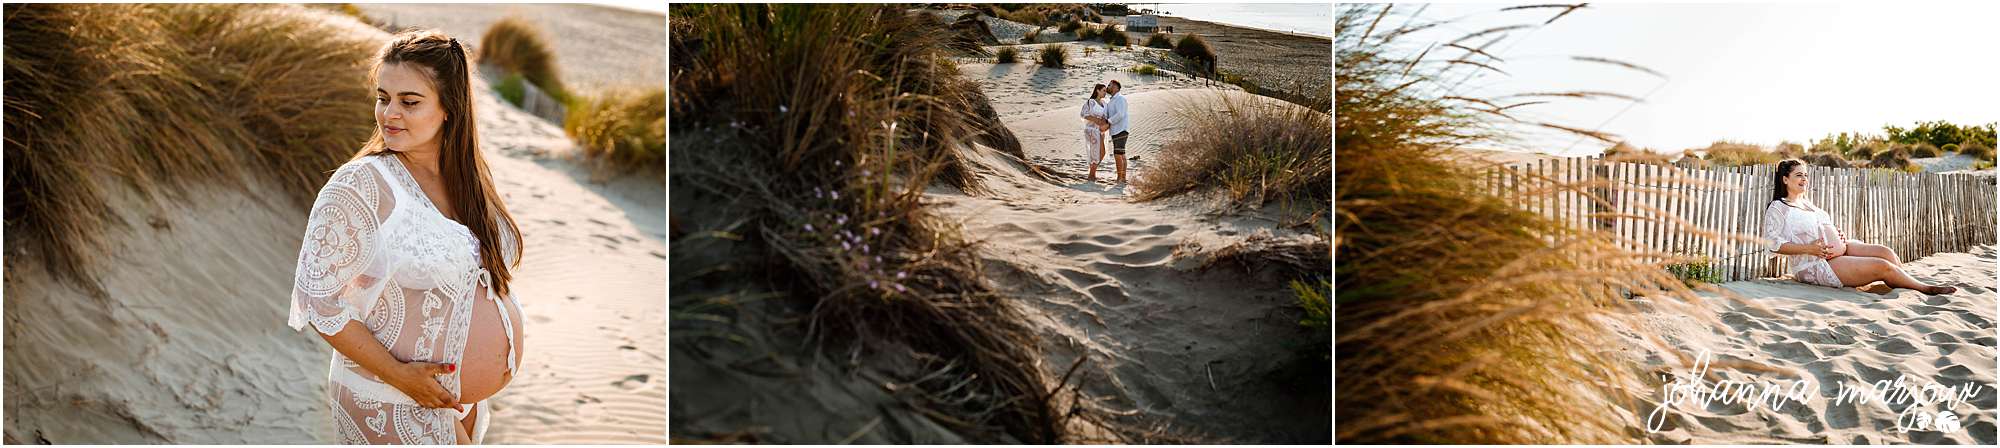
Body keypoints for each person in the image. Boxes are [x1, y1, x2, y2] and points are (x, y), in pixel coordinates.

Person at [288, 29, 528, 444]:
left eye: (409, 102)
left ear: (449, 107)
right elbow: (318, 298)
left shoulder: (468, 179)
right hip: (388, 398)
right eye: (383, 97)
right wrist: (399, 375)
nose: (389, 114)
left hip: (457, 405)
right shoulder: (362, 184)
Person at [1763, 159, 1953, 294]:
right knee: (1881, 266)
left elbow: (1821, 228)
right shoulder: (1779, 207)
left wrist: (1837, 234)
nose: (1804, 179)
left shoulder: (1807, 203)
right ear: (1785, 179)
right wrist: (1809, 249)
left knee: (1885, 252)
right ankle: (1925, 289)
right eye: (1798, 175)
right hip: (1816, 264)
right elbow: (1772, 244)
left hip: (1839, 252)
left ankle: (1908, 283)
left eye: (1805, 175)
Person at [1080, 84, 1112, 181]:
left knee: (1102, 152)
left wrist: (1105, 122)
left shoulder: (1104, 103)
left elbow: (1106, 116)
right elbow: (1083, 114)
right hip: (1091, 130)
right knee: (1095, 153)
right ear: (1097, 91)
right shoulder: (1091, 102)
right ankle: (1091, 175)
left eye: (1106, 91)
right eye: (1103, 90)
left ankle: (1092, 173)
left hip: (1100, 130)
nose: (1105, 93)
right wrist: (1095, 119)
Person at [1102, 79, 1131, 183]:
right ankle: (1122, 178)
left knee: (1118, 154)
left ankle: (1120, 178)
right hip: (1115, 130)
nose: (1107, 87)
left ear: (1114, 87)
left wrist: (1108, 121)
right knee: (1121, 153)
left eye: (1109, 85)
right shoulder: (1112, 100)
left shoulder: (1120, 99)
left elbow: (1120, 114)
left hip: (1121, 129)